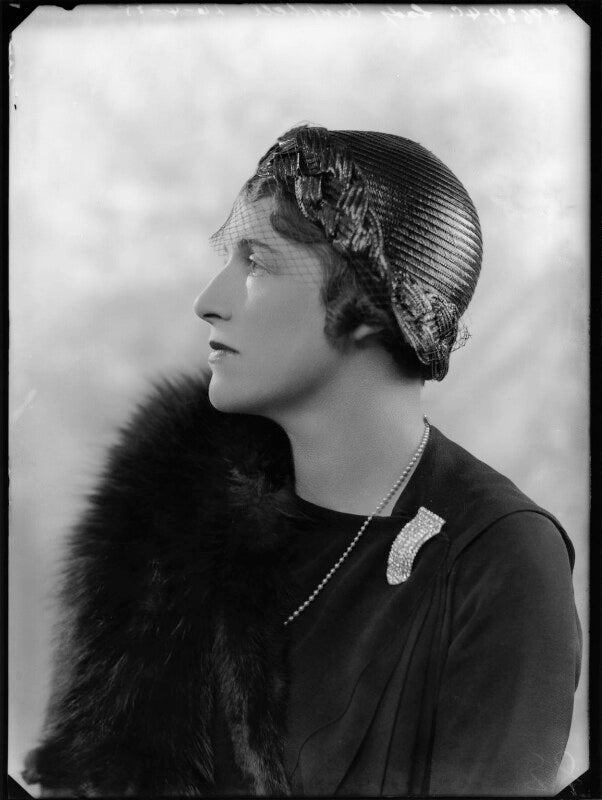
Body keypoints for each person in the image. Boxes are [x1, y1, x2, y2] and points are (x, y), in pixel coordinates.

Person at [23, 124, 581, 797]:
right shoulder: (170, 513)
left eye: (256, 262)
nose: (209, 301)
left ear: (370, 306)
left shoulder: (499, 559)